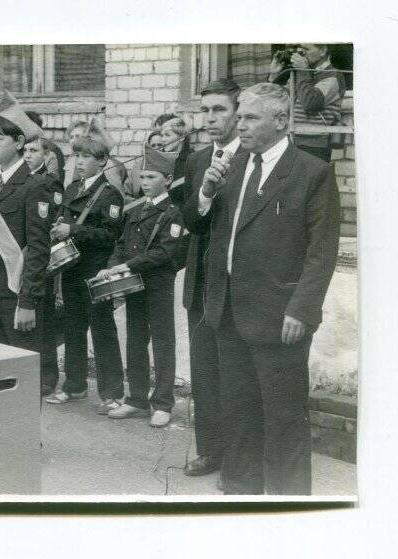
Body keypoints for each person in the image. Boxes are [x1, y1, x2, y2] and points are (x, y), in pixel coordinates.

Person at [182, 83, 340, 494]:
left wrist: (302, 309)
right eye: (241, 116)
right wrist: (206, 192)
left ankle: (290, 509)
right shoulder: (231, 167)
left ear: (281, 121)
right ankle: (241, 496)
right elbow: (199, 228)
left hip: (279, 317)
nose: (240, 124)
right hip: (228, 313)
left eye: (250, 117)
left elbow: (321, 252)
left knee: (284, 419)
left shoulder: (311, 172)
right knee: (238, 414)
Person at [98, 144, 186, 427]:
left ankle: (162, 403)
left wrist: (129, 265)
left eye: (151, 177)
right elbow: (122, 245)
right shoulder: (136, 211)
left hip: (158, 284)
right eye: (142, 177)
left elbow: (166, 253)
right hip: (134, 284)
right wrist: (112, 265)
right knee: (135, 341)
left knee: (162, 342)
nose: (144, 183)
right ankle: (137, 399)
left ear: (167, 180)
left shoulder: (173, 213)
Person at [181, 78, 242, 477]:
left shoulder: (253, 159)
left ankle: (240, 458)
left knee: (236, 375)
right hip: (202, 284)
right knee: (204, 372)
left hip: (238, 286)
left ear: (238, 112)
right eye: (205, 110)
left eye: (219, 109)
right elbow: (189, 219)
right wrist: (203, 194)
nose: (210, 118)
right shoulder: (197, 160)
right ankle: (210, 451)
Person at [45, 122, 125, 411]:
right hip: (71, 269)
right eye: (76, 156)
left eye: (86, 157)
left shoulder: (110, 194)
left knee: (102, 330)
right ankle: (75, 386)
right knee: (72, 328)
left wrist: (73, 231)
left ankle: (112, 393)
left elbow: (110, 236)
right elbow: (64, 220)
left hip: (95, 270)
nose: (79, 163)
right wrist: (59, 229)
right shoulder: (71, 189)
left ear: (102, 161)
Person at [0, 92, 51, 374]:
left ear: (19, 142)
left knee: (22, 375)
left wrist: (28, 301)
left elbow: (39, 249)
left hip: (18, 295)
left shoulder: (34, 186)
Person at [23, 130, 64, 395]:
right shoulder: (17, 180)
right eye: (25, 151)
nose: (27, 156)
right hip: (18, 258)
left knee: (44, 319)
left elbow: (50, 219)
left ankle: (47, 375)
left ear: (47, 155)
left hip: (40, 257)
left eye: (34, 151)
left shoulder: (50, 183)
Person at [268, 44, 346, 162]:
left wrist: (303, 71)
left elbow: (310, 103)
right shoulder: (301, 74)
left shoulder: (333, 75)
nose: (299, 52)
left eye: (305, 49)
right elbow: (276, 102)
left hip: (315, 145)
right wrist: (273, 75)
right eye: (298, 48)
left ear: (323, 51)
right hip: (291, 138)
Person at [159, 116, 193, 210]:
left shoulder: (192, 160)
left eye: (167, 135)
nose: (163, 139)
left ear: (181, 137)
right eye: (162, 135)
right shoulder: (160, 159)